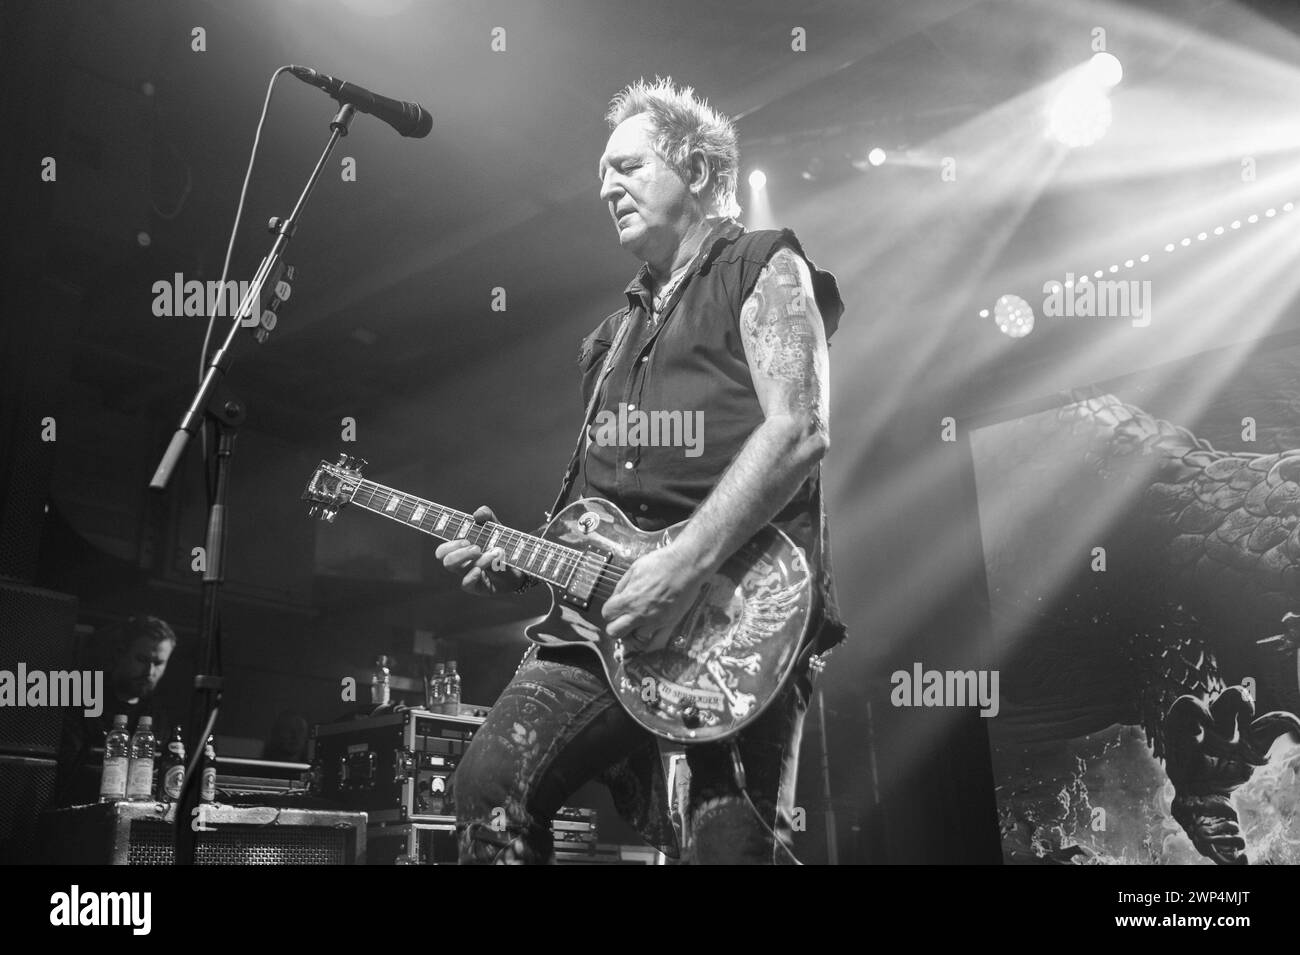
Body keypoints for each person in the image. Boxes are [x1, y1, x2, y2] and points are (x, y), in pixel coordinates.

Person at [437, 77, 846, 864]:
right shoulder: (610, 339)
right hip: (609, 628)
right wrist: (526, 558)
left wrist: (684, 565)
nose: (605, 188)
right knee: (487, 788)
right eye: (601, 176)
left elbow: (799, 429)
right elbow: (600, 513)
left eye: (626, 167)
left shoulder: (762, 263)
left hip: (737, 607)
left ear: (695, 169)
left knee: (726, 845)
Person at [52, 615, 178, 806]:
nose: (150, 671)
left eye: (159, 663)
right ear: (120, 653)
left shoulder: (161, 716)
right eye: (142, 659)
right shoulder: (81, 700)